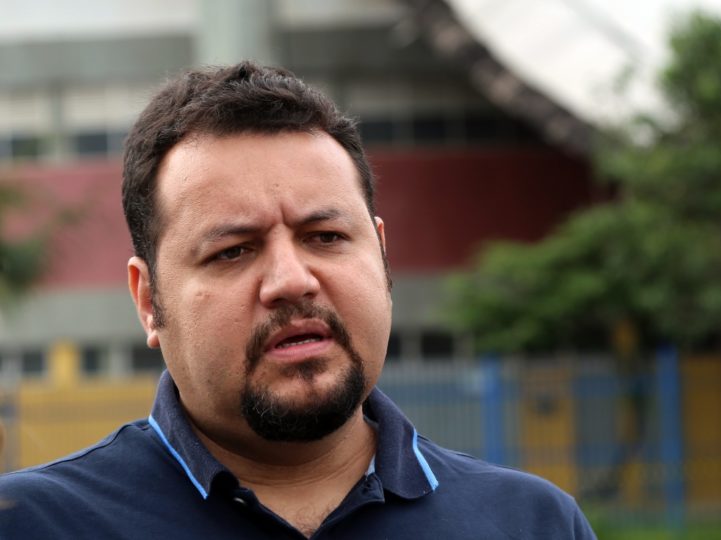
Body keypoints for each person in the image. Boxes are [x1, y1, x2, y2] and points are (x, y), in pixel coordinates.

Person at [0, 62, 595, 539]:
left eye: (325, 237)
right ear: (149, 300)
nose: (292, 280)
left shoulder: (530, 523)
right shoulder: (37, 524)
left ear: (382, 257)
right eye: (233, 250)